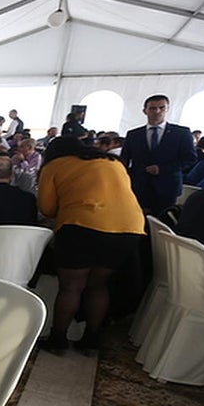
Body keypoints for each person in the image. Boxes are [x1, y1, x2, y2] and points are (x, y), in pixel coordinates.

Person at [36, 137, 145, 353]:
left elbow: (47, 208)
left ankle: (58, 340)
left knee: (71, 286)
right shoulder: (113, 162)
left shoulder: (55, 165)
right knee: (99, 285)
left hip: (82, 226)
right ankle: (91, 339)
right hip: (128, 229)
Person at [119, 94, 196, 214]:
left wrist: (163, 169)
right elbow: (124, 159)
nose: (157, 111)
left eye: (161, 108)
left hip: (168, 185)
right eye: (153, 108)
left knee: (161, 219)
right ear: (145, 111)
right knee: (136, 216)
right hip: (139, 185)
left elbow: (189, 159)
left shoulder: (181, 133)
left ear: (167, 109)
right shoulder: (133, 134)